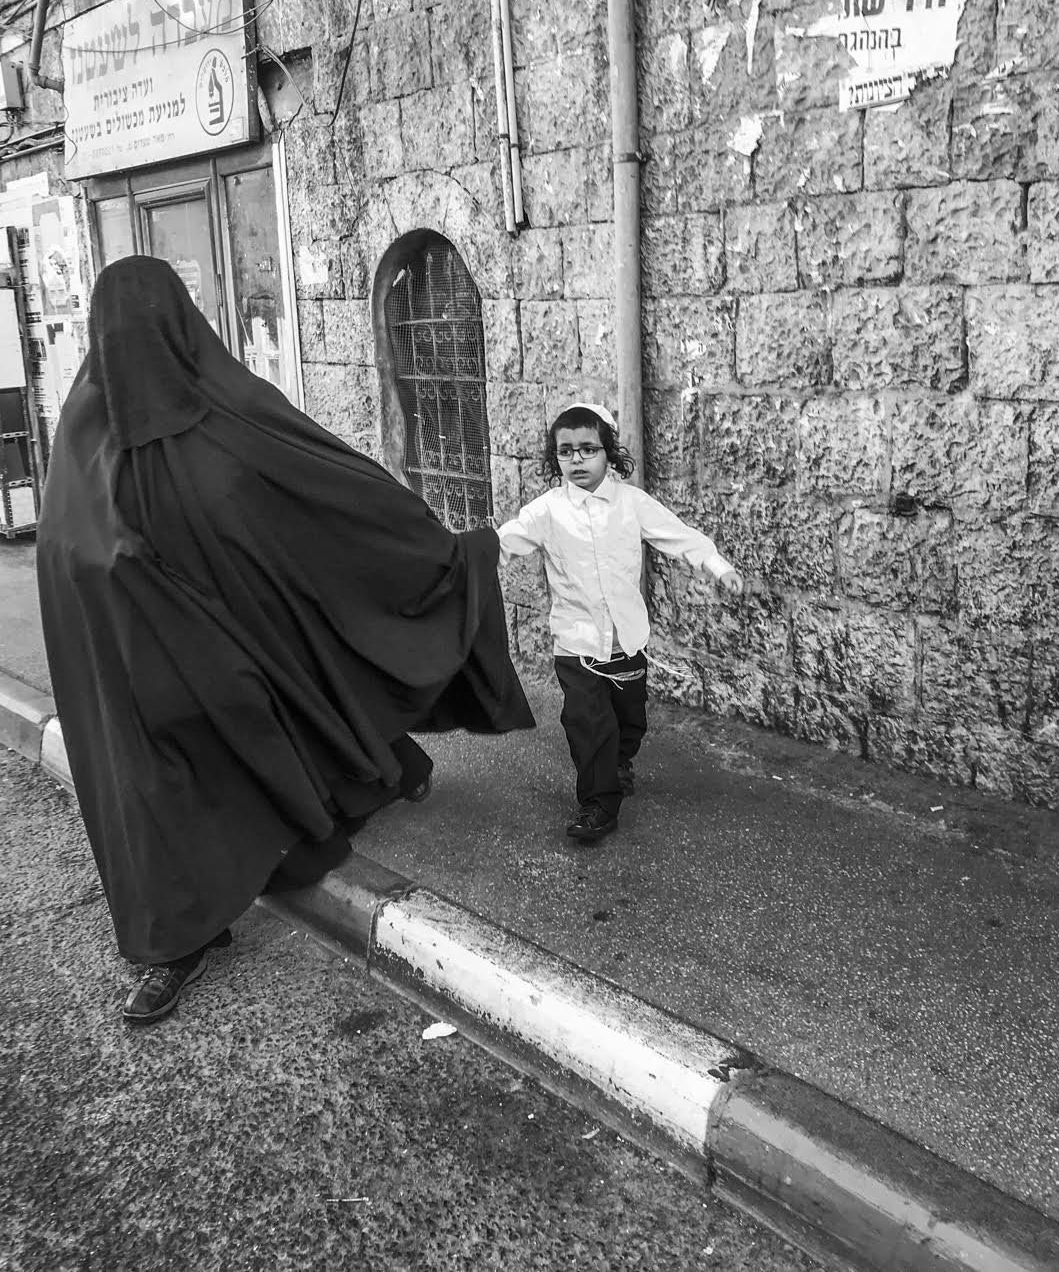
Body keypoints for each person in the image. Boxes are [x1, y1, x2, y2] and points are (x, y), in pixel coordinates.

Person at [37, 257, 534, 1025]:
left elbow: (323, 487)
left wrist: (440, 552)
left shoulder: (229, 408)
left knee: (278, 704)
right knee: (159, 787)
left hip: (241, 636)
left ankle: (383, 770)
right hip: (136, 658)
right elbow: (65, 547)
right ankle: (177, 941)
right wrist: (120, 565)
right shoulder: (83, 433)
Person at [496, 402, 742, 843]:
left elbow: (678, 535)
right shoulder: (546, 511)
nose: (577, 459)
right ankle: (598, 804)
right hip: (576, 647)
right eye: (566, 451)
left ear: (608, 452)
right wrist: (462, 558)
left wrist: (717, 566)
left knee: (630, 721)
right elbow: (504, 542)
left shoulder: (632, 503)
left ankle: (620, 761)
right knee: (588, 725)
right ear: (556, 458)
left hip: (626, 642)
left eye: (588, 449)